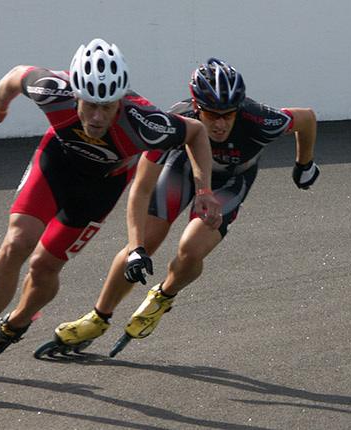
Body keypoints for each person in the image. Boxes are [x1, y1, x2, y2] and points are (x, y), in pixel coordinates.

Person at [0, 39, 221, 378]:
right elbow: (14, 76)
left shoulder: (144, 121)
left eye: (108, 107)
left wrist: (204, 189)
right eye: (89, 105)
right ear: (74, 94)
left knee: (43, 267)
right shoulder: (53, 89)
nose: (97, 118)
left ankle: (15, 325)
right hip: (56, 166)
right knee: (16, 244)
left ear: (120, 103)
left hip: (99, 188)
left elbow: (197, 132)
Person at [38, 57, 319, 357]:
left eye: (228, 114)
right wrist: (135, 248)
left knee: (191, 249)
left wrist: (304, 163)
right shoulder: (173, 121)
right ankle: (98, 318)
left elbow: (307, 119)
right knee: (147, 239)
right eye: (211, 114)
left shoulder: (261, 120)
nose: (221, 124)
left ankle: (163, 295)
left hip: (230, 182)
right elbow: (141, 188)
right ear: (197, 107)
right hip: (184, 168)